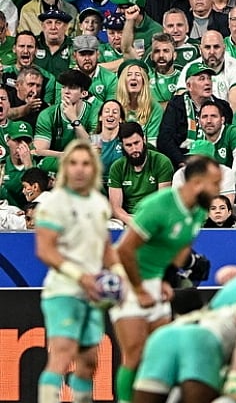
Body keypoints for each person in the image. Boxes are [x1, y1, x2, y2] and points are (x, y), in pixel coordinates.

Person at [111, 155, 222, 403]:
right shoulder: (159, 205)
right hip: (128, 279)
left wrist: (165, 279)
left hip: (155, 279)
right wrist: (139, 290)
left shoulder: (199, 209)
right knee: (135, 353)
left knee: (158, 351)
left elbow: (183, 246)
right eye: (214, 183)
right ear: (196, 182)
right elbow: (124, 251)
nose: (218, 190)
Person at [35, 140, 122, 403]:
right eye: (73, 163)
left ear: (94, 168)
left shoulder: (99, 204)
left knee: (88, 363)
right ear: (65, 167)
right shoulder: (54, 203)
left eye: (85, 163)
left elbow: (106, 249)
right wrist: (80, 277)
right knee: (62, 353)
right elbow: (45, 250)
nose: (79, 169)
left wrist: (121, 274)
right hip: (63, 291)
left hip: (93, 295)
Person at [108, 122, 174, 227]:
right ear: (122, 146)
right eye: (129, 145)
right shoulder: (117, 167)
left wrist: (144, 220)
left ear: (144, 140)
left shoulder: (162, 162)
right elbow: (116, 208)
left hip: (154, 216)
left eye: (136, 143)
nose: (134, 149)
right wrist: (132, 221)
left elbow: (163, 203)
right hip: (127, 218)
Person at [33, 69, 95, 159]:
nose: (66, 91)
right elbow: (39, 151)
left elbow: (92, 149)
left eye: (72, 87)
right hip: (56, 162)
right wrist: (68, 156)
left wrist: (74, 120)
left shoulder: (94, 112)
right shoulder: (48, 114)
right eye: (64, 87)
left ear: (84, 93)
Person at [116, 60, 163, 146]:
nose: (133, 78)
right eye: (129, 75)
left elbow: (152, 144)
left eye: (138, 75)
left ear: (144, 81)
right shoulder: (113, 106)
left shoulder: (154, 108)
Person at [92, 99, 125, 191]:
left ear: (121, 119)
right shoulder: (92, 141)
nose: (110, 114)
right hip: (98, 187)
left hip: (121, 186)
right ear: (100, 117)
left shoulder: (126, 142)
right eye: (107, 111)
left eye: (115, 112)